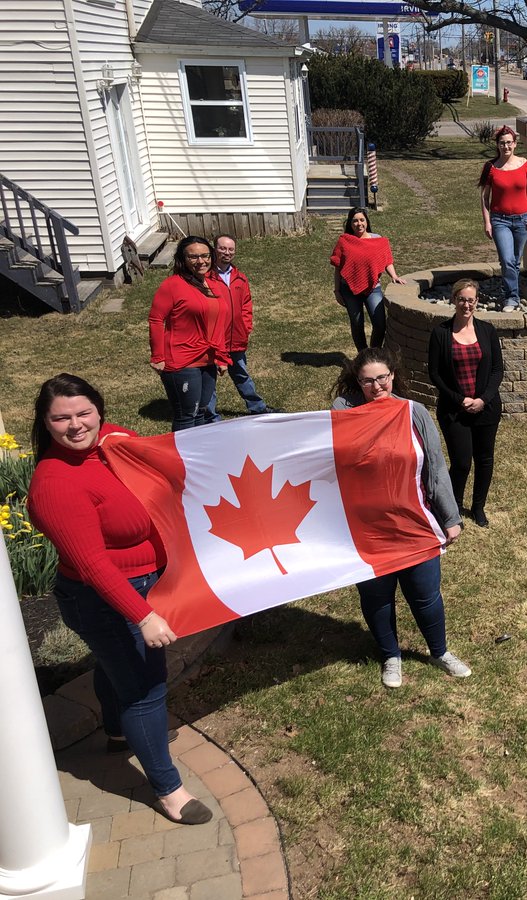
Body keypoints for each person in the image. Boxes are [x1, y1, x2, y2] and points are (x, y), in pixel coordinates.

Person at [26, 374, 213, 825]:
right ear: (45, 423)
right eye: (61, 418)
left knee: (116, 668)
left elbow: (156, 461)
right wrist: (142, 614)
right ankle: (168, 790)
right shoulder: (55, 484)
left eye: (83, 412)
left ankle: (115, 733)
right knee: (145, 688)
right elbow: (92, 565)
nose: (75, 425)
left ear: (99, 409)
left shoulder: (113, 441)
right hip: (106, 597)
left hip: (142, 583)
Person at [330, 348, 472, 688]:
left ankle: (439, 652)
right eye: (368, 380)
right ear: (357, 381)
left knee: (426, 595)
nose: (377, 386)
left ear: (393, 376)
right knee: (376, 596)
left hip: (414, 523)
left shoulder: (413, 412)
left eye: (382, 378)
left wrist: (451, 518)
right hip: (366, 528)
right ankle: (390, 656)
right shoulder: (343, 413)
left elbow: (436, 468)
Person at [427, 279, 504, 527]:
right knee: (461, 463)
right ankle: (454, 508)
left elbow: (496, 370)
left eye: (471, 300)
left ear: (477, 302)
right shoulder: (441, 333)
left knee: (484, 460)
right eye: (461, 299)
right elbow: (435, 374)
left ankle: (478, 507)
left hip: (486, 408)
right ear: (453, 300)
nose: (466, 304)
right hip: (454, 411)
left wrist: (483, 399)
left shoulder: (487, 330)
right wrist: (460, 399)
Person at [149, 236, 230, 431]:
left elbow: (220, 322)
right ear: (183, 259)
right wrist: (158, 356)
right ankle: (181, 459)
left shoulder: (214, 284)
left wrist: (222, 356)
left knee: (201, 412)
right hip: (181, 360)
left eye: (205, 255)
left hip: (208, 358)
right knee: (187, 415)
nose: (201, 261)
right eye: (193, 257)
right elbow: (156, 319)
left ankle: (197, 457)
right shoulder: (173, 285)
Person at [204, 234, 283, 420]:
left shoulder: (240, 278)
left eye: (231, 249)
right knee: (209, 379)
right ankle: (210, 417)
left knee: (241, 374)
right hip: (213, 339)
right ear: (215, 250)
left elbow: (246, 304)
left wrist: (246, 326)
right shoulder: (206, 278)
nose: (227, 252)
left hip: (236, 337)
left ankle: (257, 408)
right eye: (222, 248)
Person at [330, 207, 404, 351]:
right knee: (357, 324)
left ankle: (374, 352)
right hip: (349, 290)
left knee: (380, 324)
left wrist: (394, 276)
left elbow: (387, 260)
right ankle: (363, 355)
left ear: (367, 222)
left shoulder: (377, 239)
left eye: (362, 220)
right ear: (350, 223)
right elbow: (338, 267)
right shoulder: (344, 241)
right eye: (355, 221)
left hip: (373, 289)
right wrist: (337, 291)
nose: (359, 224)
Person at [479, 125, 527, 312]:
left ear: (515, 144)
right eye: (502, 143)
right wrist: (487, 221)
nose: (506, 147)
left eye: (509, 143)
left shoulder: (524, 164)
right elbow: (484, 197)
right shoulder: (492, 167)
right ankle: (512, 298)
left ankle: (510, 290)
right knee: (507, 259)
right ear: (497, 145)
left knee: (515, 260)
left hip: (522, 220)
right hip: (500, 220)